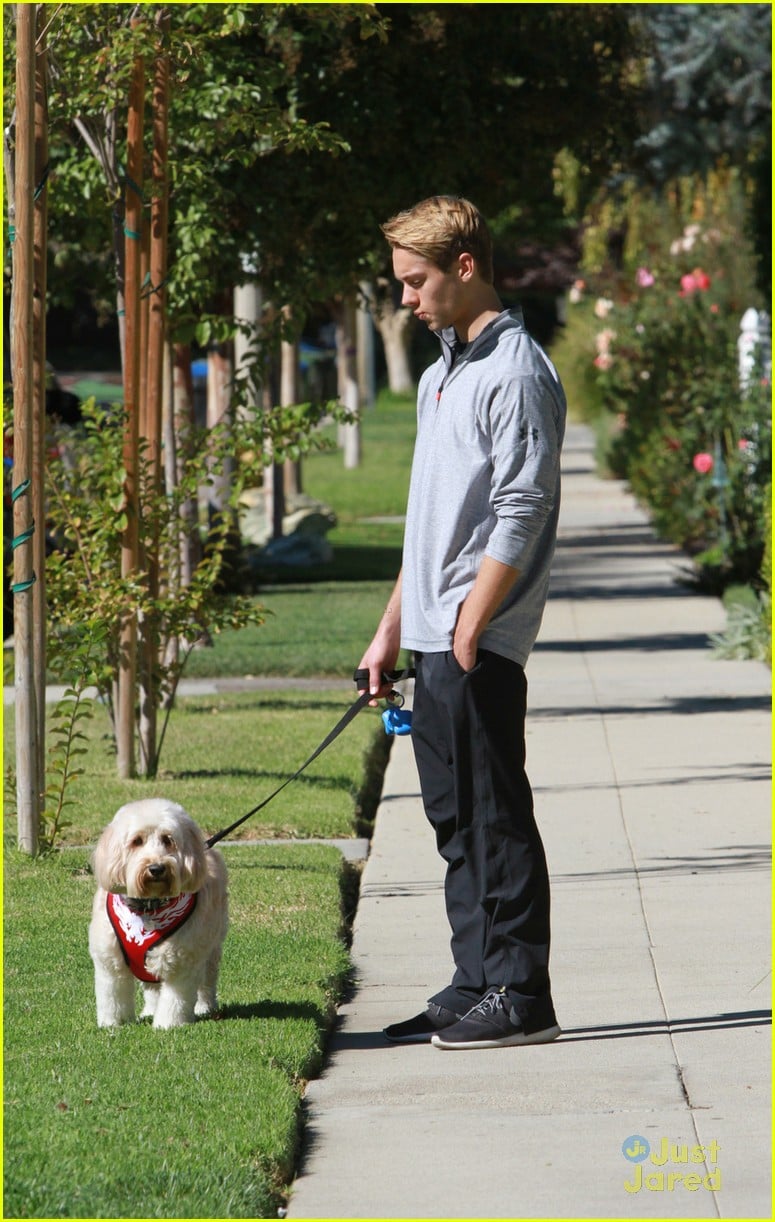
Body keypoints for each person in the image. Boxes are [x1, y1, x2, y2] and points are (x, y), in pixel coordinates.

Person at [357, 195, 566, 1051]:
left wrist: (473, 624)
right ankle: (474, 978)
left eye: (415, 282)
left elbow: (522, 509)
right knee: (452, 818)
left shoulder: (514, 371)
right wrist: (388, 632)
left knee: (494, 815)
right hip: (433, 633)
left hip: (473, 638)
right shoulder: (446, 372)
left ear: (465, 267)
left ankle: (520, 994)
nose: (406, 299)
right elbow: (429, 524)